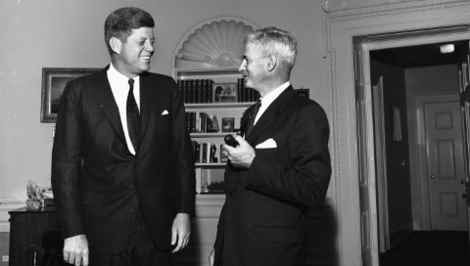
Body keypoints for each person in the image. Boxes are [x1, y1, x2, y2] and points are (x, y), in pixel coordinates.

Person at [51, 7, 194, 266]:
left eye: (153, 41)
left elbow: (182, 156)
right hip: (101, 233)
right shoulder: (80, 92)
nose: (151, 48)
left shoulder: (166, 89)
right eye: (142, 41)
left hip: (158, 232)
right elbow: (65, 166)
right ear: (116, 44)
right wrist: (73, 231)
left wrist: (184, 212)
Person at [210, 27, 331, 266]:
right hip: (234, 250)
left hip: (274, 253)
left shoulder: (307, 113)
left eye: (246, 59)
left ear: (270, 63)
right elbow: (234, 193)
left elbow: (312, 189)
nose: (240, 67)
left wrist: (253, 162)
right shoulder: (250, 114)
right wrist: (220, 245)